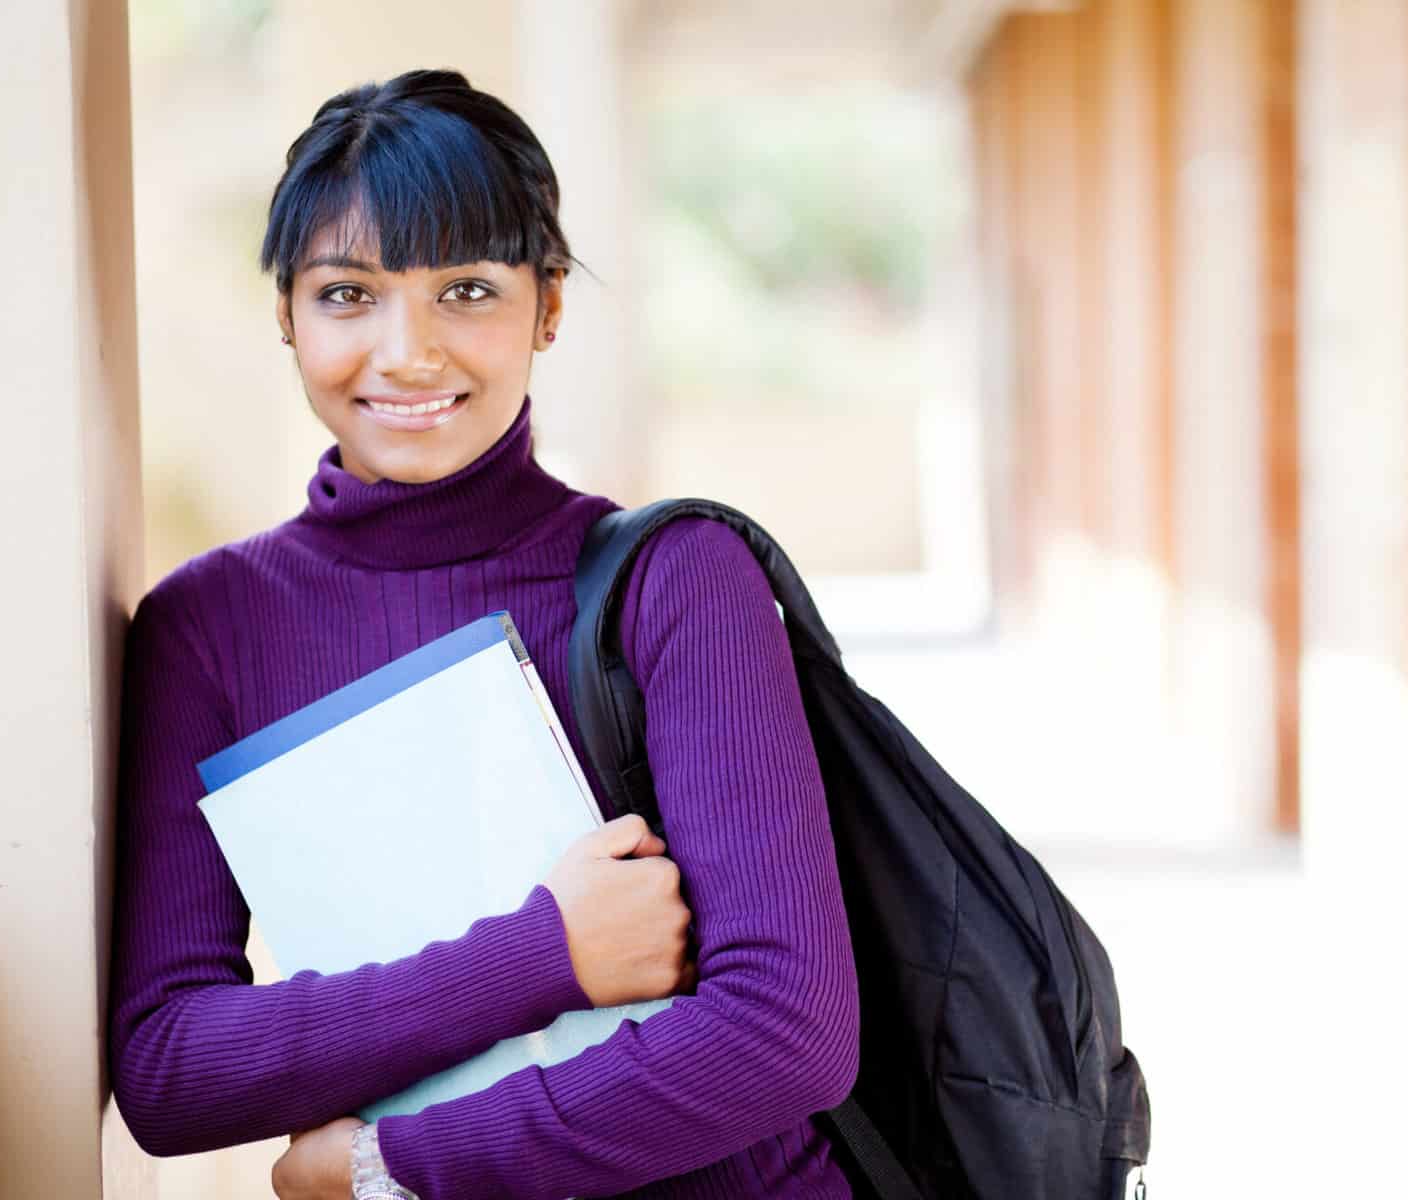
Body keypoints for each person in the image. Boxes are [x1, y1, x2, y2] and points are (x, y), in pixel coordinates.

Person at [107, 68, 859, 1199]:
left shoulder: (674, 580)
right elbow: (168, 1069)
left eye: (466, 290)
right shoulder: (208, 628)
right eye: (348, 294)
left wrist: (387, 1165)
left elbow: (787, 1033)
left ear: (549, 304)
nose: (409, 354)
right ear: (285, 314)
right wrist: (544, 954)